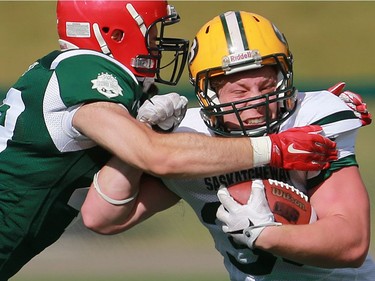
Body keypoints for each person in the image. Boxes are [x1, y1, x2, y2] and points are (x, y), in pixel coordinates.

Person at [0, 2, 339, 280]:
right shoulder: (89, 72)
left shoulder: (72, 72)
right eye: (152, 32)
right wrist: (274, 149)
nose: (158, 45)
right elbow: (155, 157)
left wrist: (317, 108)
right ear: (114, 32)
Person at [81, 10, 375, 281]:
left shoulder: (311, 119)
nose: (257, 101)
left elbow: (352, 244)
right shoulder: (186, 136)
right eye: (240, 91)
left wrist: (265, 235)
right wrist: (144, 141)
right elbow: (101, 218)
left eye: (267, 86)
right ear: (209, 93)